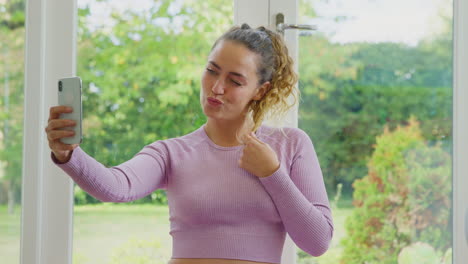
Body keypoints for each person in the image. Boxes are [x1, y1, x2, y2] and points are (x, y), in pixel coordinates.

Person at [45, 23, 334, 264]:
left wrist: (273, 173)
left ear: (260, 90)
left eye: (235, 80)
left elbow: (318, 242)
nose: (216, 88)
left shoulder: (291, 145)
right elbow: (116, 186)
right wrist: (68, 154)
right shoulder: (171, 153)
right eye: (212, 71)